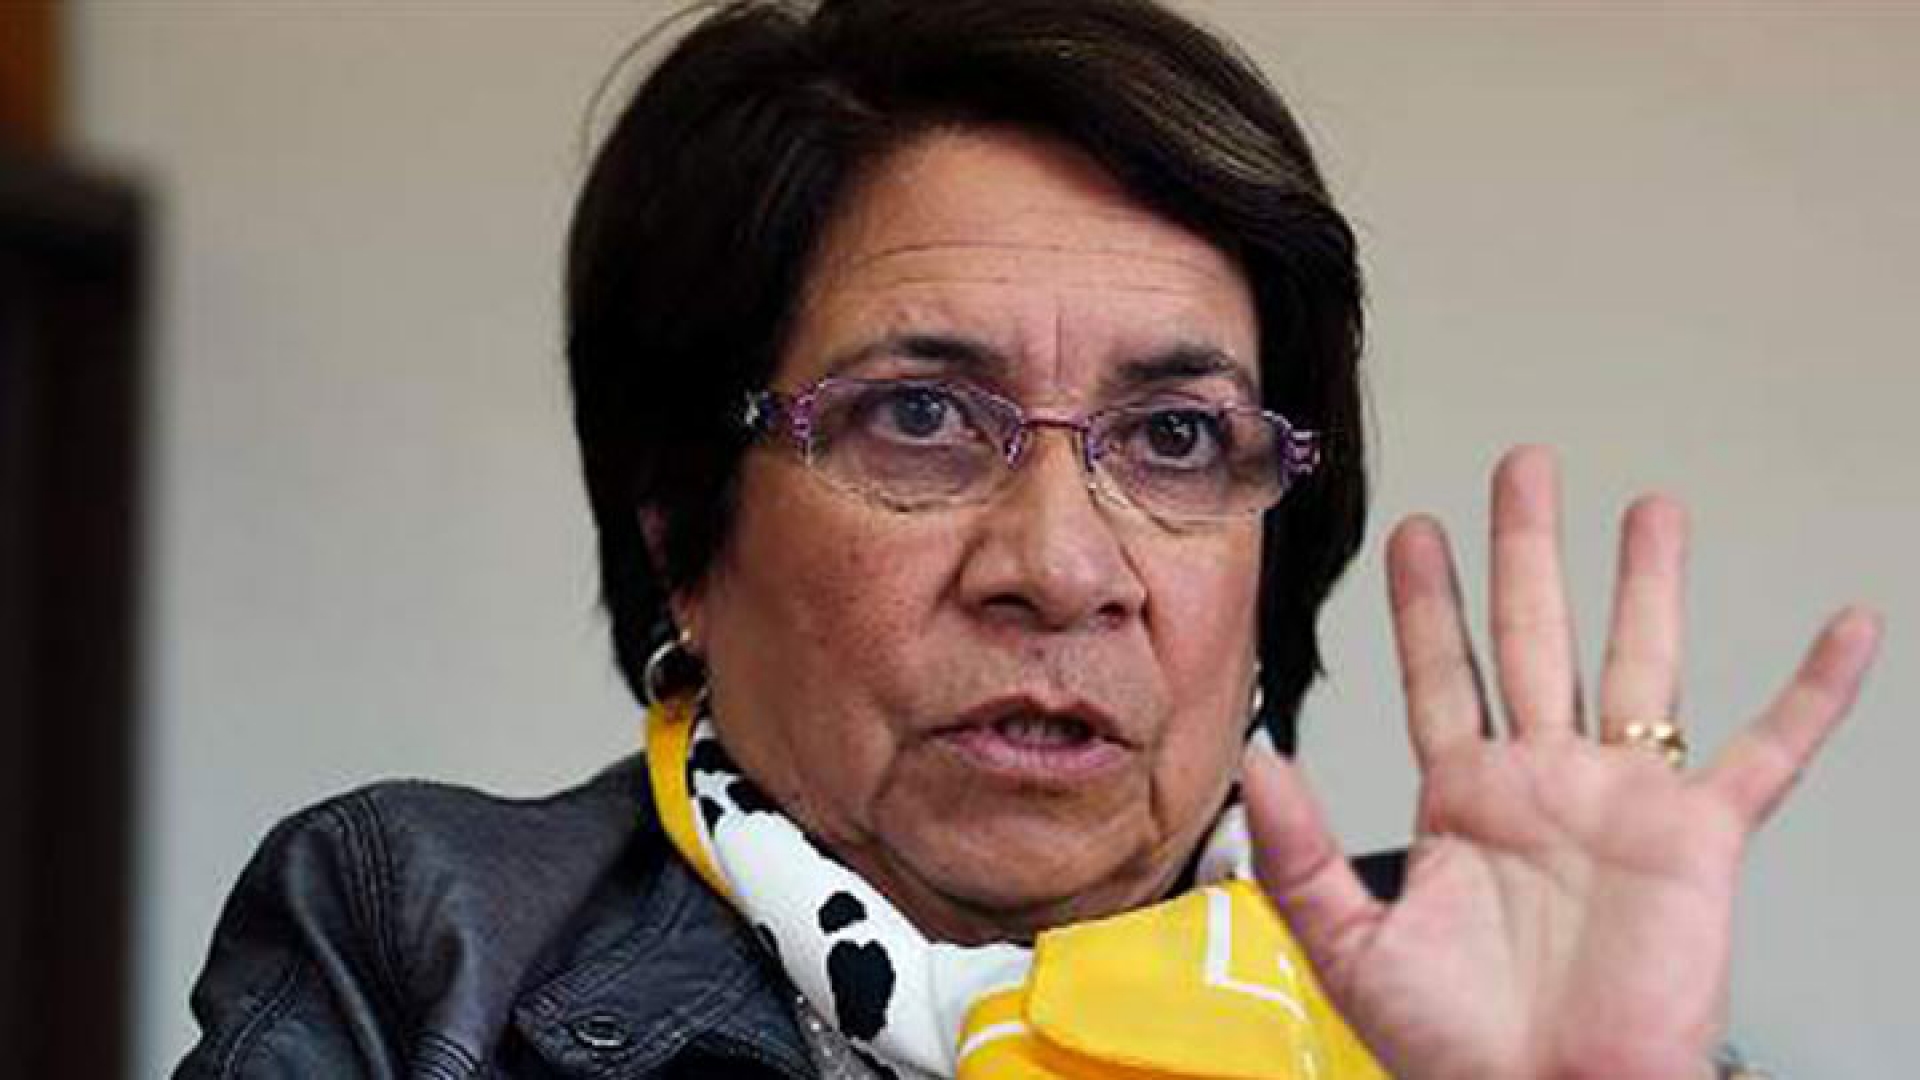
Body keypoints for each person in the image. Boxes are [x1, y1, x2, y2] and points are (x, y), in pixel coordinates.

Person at [176, 1, 1881, 1078]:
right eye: (921, 417)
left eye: (1177, 438)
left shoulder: (1472, 1007)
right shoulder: (426, 951)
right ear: (686, 528)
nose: (1062, 568)